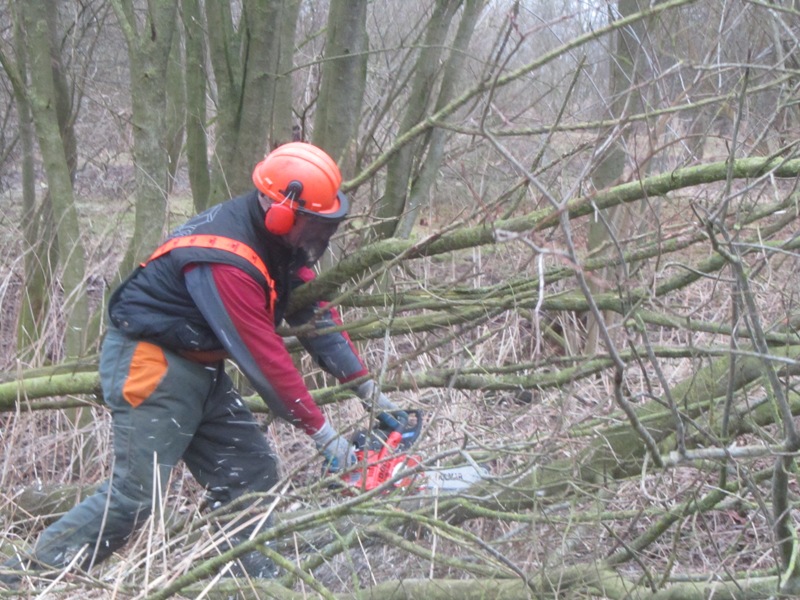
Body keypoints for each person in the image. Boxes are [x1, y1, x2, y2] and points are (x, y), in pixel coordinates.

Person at [1, 142, 401, 586]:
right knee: (136, 497)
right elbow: (264, 358)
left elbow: (316, 318)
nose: (318, 237)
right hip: (152, 364)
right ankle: (24, 579)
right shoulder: (226, 259)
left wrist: (369, 391)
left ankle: (245, 584)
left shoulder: (278, 243)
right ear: (282, 211)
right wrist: (326, 437)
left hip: (199, 368)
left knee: (251, 472)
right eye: (313, 223)